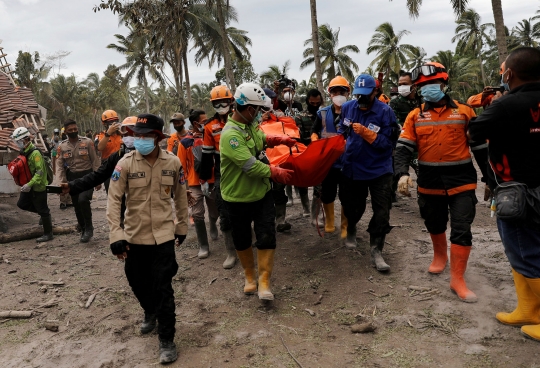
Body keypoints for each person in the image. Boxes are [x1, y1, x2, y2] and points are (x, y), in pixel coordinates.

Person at [395, 62, 488, 302]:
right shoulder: (415, 116)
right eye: (422, 85)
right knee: (434, 222)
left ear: (444, 84)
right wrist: (402, 173)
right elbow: (404, 148)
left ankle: (458, 279)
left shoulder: (466, 112)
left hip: (462, 181)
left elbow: (480, 149)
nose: (427, 89)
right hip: (429, 179)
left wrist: (490, 179)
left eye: (432, 84)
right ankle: (439, 257)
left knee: (461, 228)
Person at [468, 47, 540, 341]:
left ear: (509, 73)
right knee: (525, 251)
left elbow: (474, 130)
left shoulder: (505, 105)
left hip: (518, 192)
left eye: (503, 71)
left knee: (525, 251)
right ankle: (528, 309)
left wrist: (497, 105)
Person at [107, 114, 188, 364]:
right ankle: (149, 311)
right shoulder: (125, 163)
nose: (139, 140)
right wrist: (116, 234)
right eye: (137, 136)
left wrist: (182, 226)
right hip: (134, 236)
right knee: (137, 281)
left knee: (163, 287)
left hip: (163, 236)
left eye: (145, 136)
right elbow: (113, 199)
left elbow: (181, 196)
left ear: (157, 137)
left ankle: (166, 339)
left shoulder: (173, 163)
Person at [220, 82, 296, 301]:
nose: (259, 114)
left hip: (261, 195)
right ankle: (250, 277)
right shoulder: (230, 136)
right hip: (237, 197)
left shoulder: (249, 125)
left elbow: (260, 139)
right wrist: (276, 173)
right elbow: (250, 166)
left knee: (266, 235)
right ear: (248, 108)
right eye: (257, 109)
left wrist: (276, 139)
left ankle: (264, 282)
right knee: (242, 238)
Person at [338, 74, 399, 272]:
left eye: (366, 95)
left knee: (382, 211)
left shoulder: (385, 112)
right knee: (352, 207)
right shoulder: (348, 108)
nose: (362, 99)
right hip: (353, 167)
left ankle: (376, 249)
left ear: (375, 92)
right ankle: (352, 226)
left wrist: (367, 134)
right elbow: (342, 130)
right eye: (358, 95)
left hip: (379, 169)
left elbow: (388, 144)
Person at [60, 117, 137, 226]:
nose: (129, 137)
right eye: (126, 134)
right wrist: (71, 186)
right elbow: (97, 175)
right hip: (109, 173)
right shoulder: (117, 156)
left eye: (133, 133)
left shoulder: (156, 158)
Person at [200, 85, 237, 269]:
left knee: (248, 204)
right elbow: (206, 155)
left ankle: (248, 238)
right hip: (222, 169)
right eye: (216, 103)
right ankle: (230, 250)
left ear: (231, 101)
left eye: (224, 101)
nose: (221, 105)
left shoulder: (243, 119)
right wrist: (205, 179)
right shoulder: (209, 126)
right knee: (224, 209)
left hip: (243, 164)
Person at [311, 76, 350, 239]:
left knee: (347, 195)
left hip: (348, 161)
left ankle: (345, 226)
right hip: (329, 162)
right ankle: (329, 222)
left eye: (342, 91)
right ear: (330, 94)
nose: (338, 94)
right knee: (327, 193)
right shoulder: (322, 112)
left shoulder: (353, 111)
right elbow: (314, 131)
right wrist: (315, 142)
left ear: (347, 93)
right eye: (335, 92)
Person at [177, 109, 219, 259]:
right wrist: (183, 188)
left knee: (215, 210)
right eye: (203, 122)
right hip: (195, 183)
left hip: (213, 180)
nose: (207, 123)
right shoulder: (185, 142)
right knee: (196, 213)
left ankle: (213, 223)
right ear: (195, 124)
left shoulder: (212, 136)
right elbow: (180, 165)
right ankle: (203, 245)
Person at [56, 119, 100, 243]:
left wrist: (97, 179)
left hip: (87, 176)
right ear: (65, 131)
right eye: (70, 130)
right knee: (76, 204)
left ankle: (89, 228)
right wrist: (60, 182)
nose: (74, 131)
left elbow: (95, 161)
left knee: (83, 200)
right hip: (72, 178)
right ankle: (83, 227)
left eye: (75, 129)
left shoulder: (87, 142)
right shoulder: (62, 146)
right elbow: (59, 166)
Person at [11, 127, 53, 242]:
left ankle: (48, 233)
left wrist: (30, 184)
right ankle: (45, 215)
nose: (17, 144)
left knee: (43, 209)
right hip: (29, 185)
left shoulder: (35, 153)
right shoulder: (25, 152)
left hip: (38, 186)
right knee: (22, 204)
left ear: (24, 140)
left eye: (18, 141)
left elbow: (40, 172)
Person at [389, 71, 420, 201]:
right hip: (400, 143)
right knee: (394, 171)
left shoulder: (422, 100)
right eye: (400, 84)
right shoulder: (395, 102)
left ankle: (424, 199)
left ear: (414, 85)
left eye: (405, 84)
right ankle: (390, 195)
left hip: (420, 145)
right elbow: (394, 122)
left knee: (423, 172)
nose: (402, 87)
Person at [96, 110, 122, 192]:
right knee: (111, 192)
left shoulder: (122, 135)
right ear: (104, 123)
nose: (114, 124)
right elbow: (99, 148)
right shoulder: (100, 136)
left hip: (122, 167)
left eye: (115, 121)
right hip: (109, 168)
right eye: (111, 122)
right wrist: (108, 134)